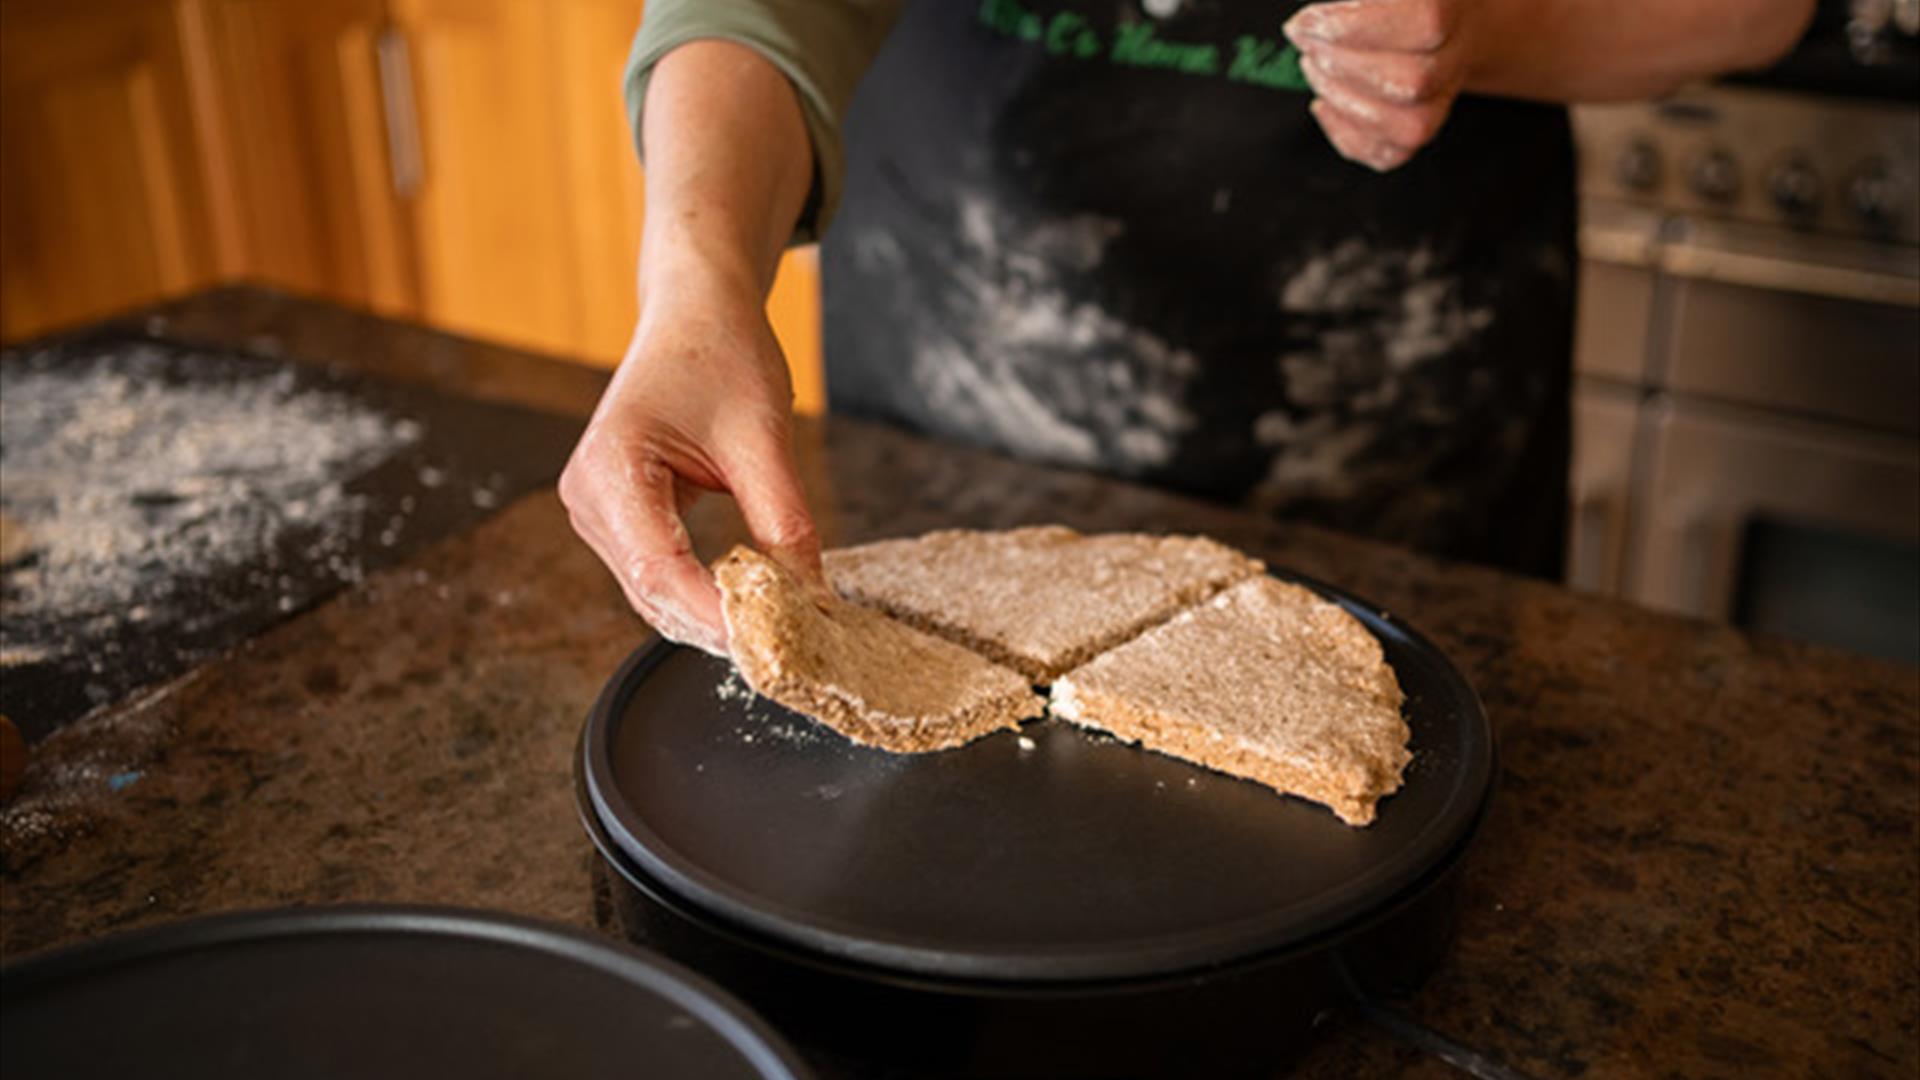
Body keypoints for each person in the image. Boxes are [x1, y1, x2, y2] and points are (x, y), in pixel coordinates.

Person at [559, 0, 1815, 656]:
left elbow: (1751, 7)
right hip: (957, 401)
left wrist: (1497, 25)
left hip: (1400, 437)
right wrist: (698, 290)